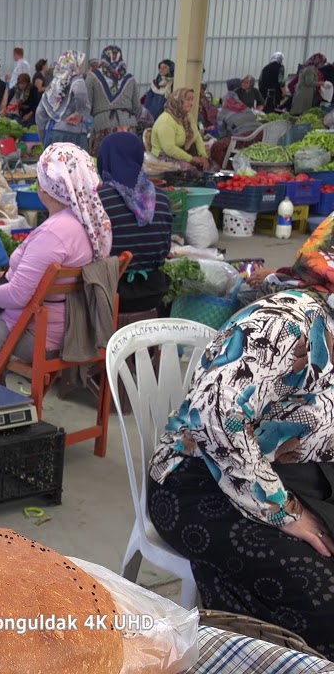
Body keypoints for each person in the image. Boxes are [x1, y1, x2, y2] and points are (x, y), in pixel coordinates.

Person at [147, 219, 334, 659]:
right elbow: (216, 417)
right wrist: (283, 511)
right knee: (323, 596)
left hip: (288, 473)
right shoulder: (285, 321)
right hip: (197, 481)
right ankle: (252, 654)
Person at [0, 143, 111, 387]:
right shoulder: (92, 223)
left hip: (34, 331)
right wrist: (9, 275)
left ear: (47, 188)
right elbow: (43, 276)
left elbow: (16, 296)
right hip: (71, 326)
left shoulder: (54, 233)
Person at [95, 132, 171, 313]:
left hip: (111, 293)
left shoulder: (98, 200)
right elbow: (165, 248)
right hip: (154, 292)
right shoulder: (162, 198)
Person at [86, 46, 141, 155]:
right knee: (127, 159)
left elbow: (87, 104)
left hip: (103, 125)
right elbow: (137, 107)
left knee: (103, 159)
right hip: (128, 126)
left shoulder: (92, 77)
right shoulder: (130, 78)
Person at [37, 50, 90, 149]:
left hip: (54, 133)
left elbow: (40, 113)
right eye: (81, 64)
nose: (83, 67)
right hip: (75, 135)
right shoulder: (77, 80)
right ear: (74, 65)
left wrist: (43, 137)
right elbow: (81, 93)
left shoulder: (52, 87)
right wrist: (78, 113)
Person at [151, 87, 212, 171]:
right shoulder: (165, 121)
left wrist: (203, 157)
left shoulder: (187, 117)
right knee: (189, 169)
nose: (191, 103)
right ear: (178, 101)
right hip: (163, 157)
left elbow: (197, 136)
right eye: (188, 100)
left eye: (192, 100)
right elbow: (169, 149)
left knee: (210, 166)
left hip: (181, 153)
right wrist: (192, 159)